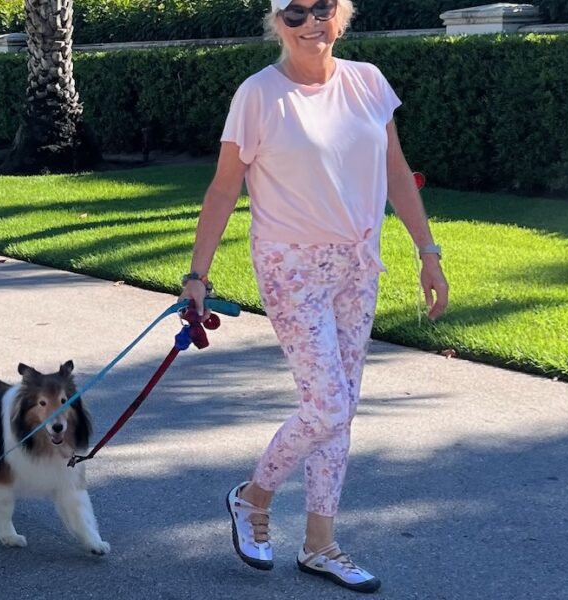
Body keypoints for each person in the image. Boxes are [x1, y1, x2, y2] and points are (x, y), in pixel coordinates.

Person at [180, 0, 449, 593]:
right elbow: (225, 187)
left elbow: (398, 173)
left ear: (341, 14)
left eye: (321, 8)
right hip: (290, 264)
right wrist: (197, 275)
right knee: (327, 404)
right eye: (294, 12)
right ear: (277, 23)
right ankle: (253, 497)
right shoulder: (258, 94)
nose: (310, 23)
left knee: (343, 407)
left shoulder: (369, 83)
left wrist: (428, 252)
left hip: (358, 264)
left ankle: (320, 545)